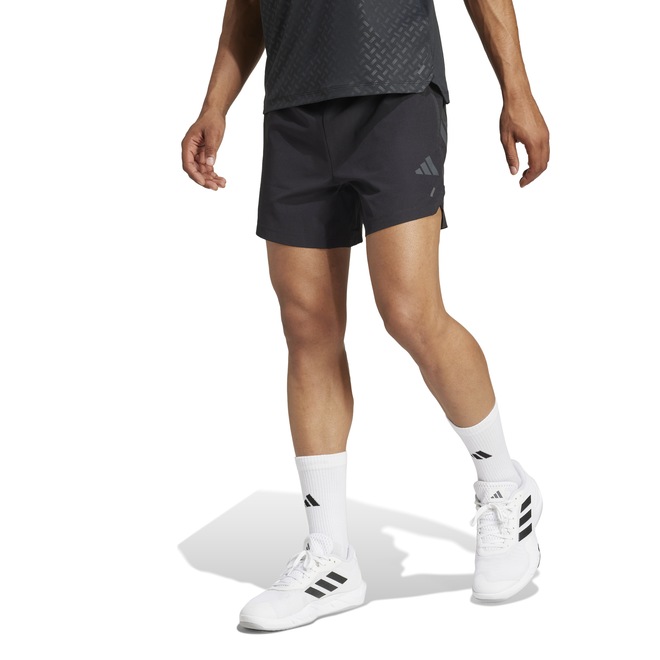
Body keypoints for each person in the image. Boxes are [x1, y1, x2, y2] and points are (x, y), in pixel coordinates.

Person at [181, 0, 550, 632]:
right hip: (294, 103)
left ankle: (503, 485)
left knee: (409, 309)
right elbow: (247, 5)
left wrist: (516, 88)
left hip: (396, 89)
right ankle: (330, 556)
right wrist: (216, 103)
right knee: (308, 325)